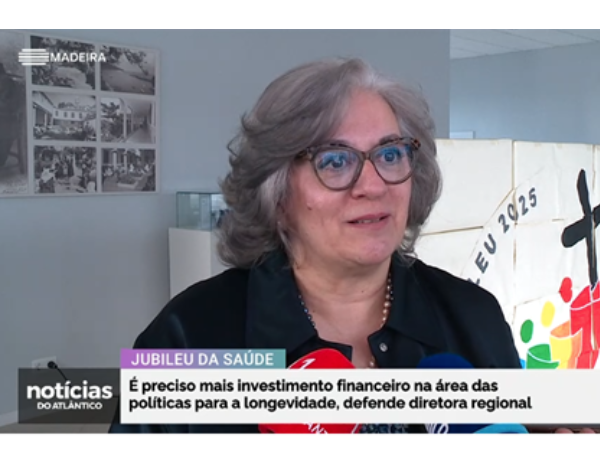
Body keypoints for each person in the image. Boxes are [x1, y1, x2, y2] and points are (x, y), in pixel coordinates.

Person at [109, 57, 594, 434]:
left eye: (390, 154)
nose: (373, 184)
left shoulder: (473, 316)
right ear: (278, 194)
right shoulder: (188, 336)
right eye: (335, 161)